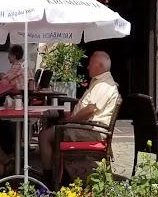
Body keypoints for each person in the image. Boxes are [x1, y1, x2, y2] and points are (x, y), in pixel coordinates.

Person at [38, 51, 120, 183]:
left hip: (92, 132)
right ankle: (60, 174)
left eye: (90, 64)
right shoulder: (98, 82)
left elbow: (90, 109)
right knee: (51, 131)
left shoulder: (104, 84)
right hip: (85, 128)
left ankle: (48, 179)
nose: (87, 67)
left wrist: (70, 120)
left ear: (100, 66)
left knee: (45, 136)